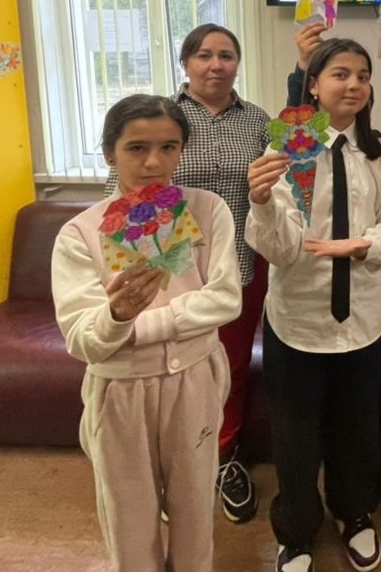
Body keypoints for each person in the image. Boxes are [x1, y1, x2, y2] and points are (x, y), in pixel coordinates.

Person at [53, 94, 242, 572]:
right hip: (120, 392)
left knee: (195, 511)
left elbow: (225, 299)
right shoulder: (80, 233)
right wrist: (116, 316)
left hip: (194, 381)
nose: (154, 162)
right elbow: (83, 339)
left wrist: (136, 327)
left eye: (168, 147)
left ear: (182, 151)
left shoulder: (208, 209)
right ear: (109, 153)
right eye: (137, 148)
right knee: (129, 521)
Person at [246, 38, 381, 572]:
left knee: (358, 427)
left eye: (363, 75)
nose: (354, 84)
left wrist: (365, 245)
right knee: (295, 435)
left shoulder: (380, 154)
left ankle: (355, 513)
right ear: (313, 85)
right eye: (340, 74)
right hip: (298, 317)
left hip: (362, 317)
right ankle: (296, 531)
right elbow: (280, 249)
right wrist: (262, 203)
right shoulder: (288, 150)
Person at [103, 24, 270, 524]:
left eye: (226, 55)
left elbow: (282, 179)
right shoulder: (162, 118)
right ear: (186, 63)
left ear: (238, 63)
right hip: (164, 271)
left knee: (228, 369)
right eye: (203, 55)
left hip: (238, 265)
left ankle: (223, 455)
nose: (215, 65)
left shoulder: (257, 120)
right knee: (166, 371)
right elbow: (119, 193)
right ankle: (169, 469)